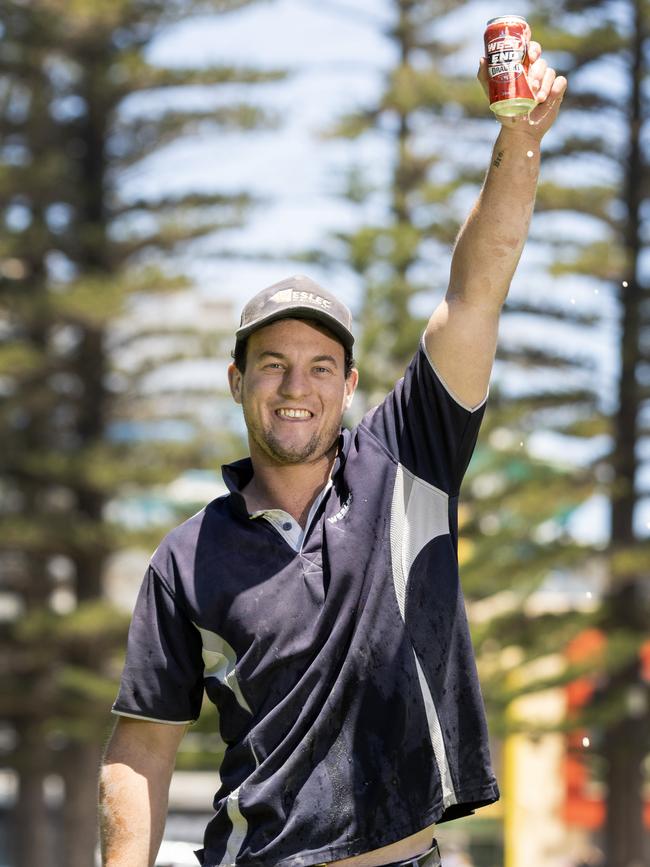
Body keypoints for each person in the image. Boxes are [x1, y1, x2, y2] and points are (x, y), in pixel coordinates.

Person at [99, 33, 567, 867]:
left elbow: (474, 293)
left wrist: (520, 140)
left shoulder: (405, 464)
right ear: (235, 380)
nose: (295, 387)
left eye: (319, 367)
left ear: (349, 385)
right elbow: (140, 751)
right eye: (272, 365)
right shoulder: (185, 560)